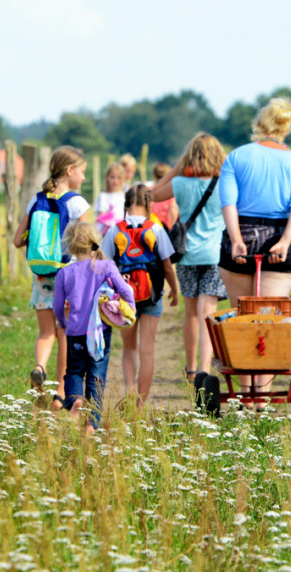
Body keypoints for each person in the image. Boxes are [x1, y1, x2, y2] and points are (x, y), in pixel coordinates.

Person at [218, 97, 291, 401]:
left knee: (242, 319)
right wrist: (285, 240)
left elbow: (228, 202)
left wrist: (236, 239)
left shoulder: (237, 156)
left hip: (240, 235)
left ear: (260, 123)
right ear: (287, 127)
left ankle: (246, 394)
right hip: (279, 238)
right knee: (270, 321)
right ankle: (264, 397)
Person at [13, 146, 90, 409]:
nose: (84, 178)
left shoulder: (35, 201)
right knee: (64, 334)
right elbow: (85, 246)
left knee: (46, 333)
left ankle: (39, 367)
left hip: (41, 275)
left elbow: (17, 240)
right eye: (82, 172)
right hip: (68, 276)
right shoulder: (78, 203)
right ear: (69, 171)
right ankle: (59, 392)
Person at [152, 133, 226, 382]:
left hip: (187, 254)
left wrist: (175, 169)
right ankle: (205, 368)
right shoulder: (224, 182)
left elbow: (152, 194)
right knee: (209, 313)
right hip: (214, 253)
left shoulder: (180, 183)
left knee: (191, 313)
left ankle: (191, 368)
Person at [52, 222, 135, 433]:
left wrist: (63, 323)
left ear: (70, 247)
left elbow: (57, 306)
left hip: (75, 333)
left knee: (74, 373)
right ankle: (91, 425)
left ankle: (75, 400)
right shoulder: (106, 267)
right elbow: (126, 291)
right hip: (100, 334)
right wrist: (130, 311)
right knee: (96, 378)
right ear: (93, 242)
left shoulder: (64, 273)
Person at [102, 185, 179, 407]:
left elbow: (104, 266)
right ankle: (140, 403)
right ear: (149, 205)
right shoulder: (156, 229)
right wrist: (174, 290)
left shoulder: (114, 231)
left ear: (126, 205)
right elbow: (167, 267)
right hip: (152, 296)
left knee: (129, 348)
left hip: (124, 298)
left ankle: (129, 390)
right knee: (147, 350)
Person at [95, 162, 125, 236]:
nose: (115, 181)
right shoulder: (103, 196)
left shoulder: (123, 195)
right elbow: (101, 216)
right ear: (107, 177)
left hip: (122, 232)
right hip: (107, 233)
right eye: (112, 177)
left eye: (118, 178)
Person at [149, 164, 179, 228]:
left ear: (154, 176)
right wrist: (173, 226)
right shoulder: (169, 192)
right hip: (165, 226)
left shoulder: (149, 191)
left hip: (151, 225)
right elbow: (173, 211)